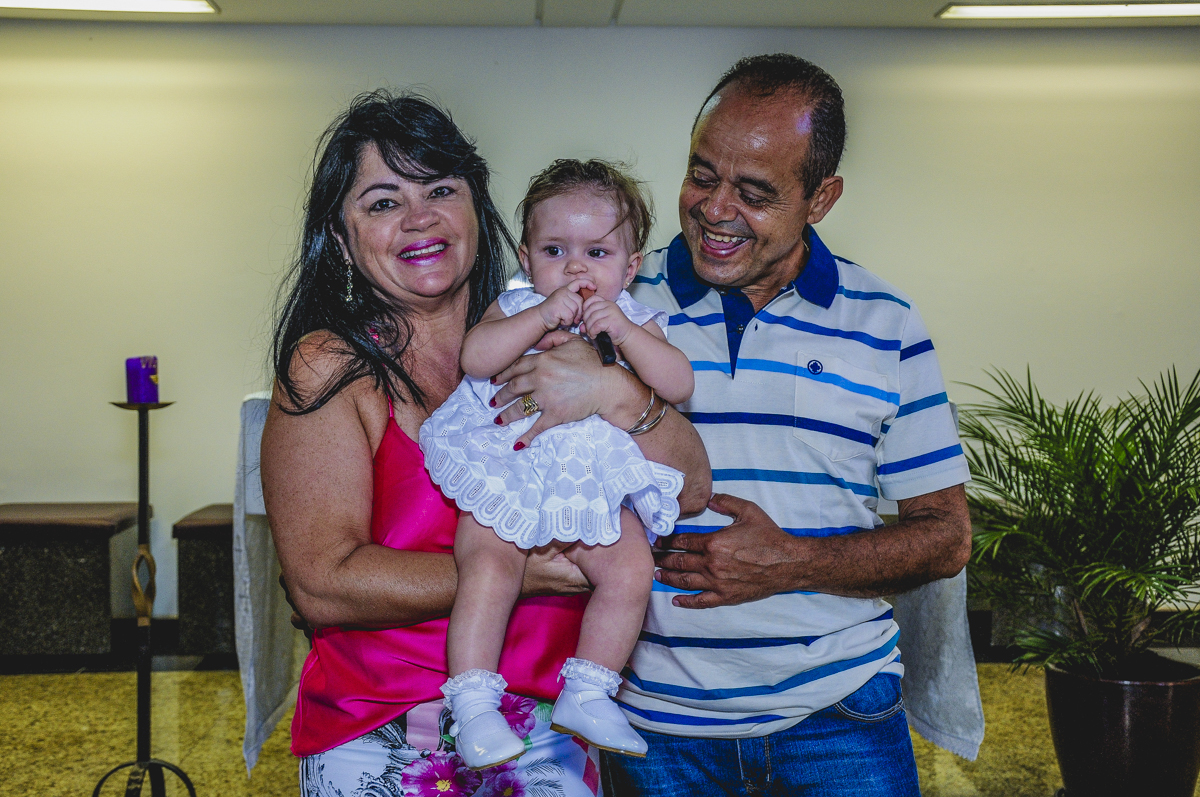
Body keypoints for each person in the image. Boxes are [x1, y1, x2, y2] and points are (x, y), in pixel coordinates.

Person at [259, 91, 710, 797]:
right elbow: (322, 581)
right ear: (343, 239)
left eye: (442, 189)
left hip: (549, 728)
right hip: (385, 730)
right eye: (382, 202)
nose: (419, 217)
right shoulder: (331, 365)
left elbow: (694, 486)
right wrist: (527, 570)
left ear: (478, 211)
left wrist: (614, 392)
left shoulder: (570, 333)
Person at [590, 54, 973, 795]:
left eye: (756, 192)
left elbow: (946, 536)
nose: (715, 208)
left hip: (840, 719)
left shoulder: (884, 322)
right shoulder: (616, 304)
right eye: (702, 175)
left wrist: (791, 561)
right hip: (656, 731)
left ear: (820, 197)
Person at [420, 159, 696, 769]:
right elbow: (475, 356)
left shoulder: (632, 316)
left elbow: (678, 382)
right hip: (511, 465)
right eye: (554, 249)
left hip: (587, 482)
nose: (575, 268)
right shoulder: (518, 303)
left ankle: (590, 689)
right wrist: (539, 317)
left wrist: (623, 331)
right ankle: (472, 708)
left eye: (597, 252)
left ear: (631, 266)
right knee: (487, 568)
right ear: (525, 255)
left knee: (630, 570)